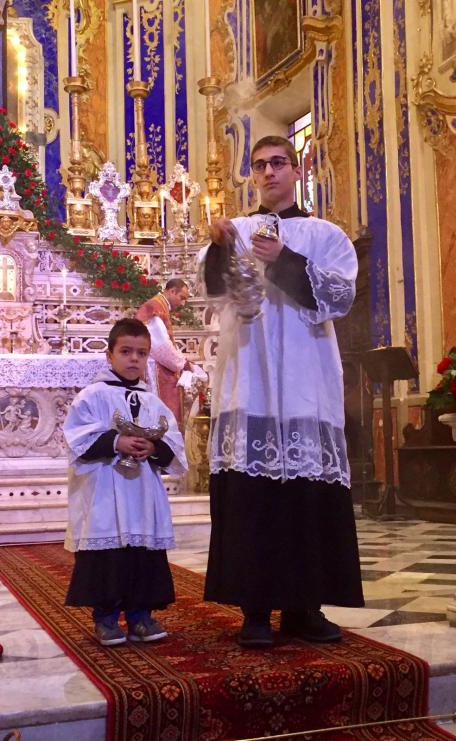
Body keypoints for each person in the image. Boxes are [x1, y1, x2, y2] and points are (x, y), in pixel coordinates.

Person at [202, 135, 364, 647]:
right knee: (255, 498)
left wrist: (284, 257)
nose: (269, 172)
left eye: (278, 163)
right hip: (250, 376)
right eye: (259, 165)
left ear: (296, 172)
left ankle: (304, 609)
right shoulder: (237, 229)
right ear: (252, 175)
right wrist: (220, 250)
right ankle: (254, 613)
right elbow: (214, 293)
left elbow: (339, 297)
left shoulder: (325, 233)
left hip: (305, 381)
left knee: (306, 496)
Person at [63, 318, 187, 646]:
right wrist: (116, 442)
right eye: (126, 351)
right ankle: (105, 618)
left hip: (142, 494)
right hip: (105, 489)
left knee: (142, 554)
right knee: (108, 557)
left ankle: (140, 616)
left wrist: (154, 446)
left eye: (141, 353)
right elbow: (76, 437)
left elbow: (172, 440)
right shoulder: (91, 396)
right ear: (109, 354)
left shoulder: (152, 400)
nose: (134, 359)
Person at [135, 278, 191, 426]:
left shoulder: (160, 306)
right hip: (154, 369)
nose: (183, 303)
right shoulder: (156, 308)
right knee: (159, 418)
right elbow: (160, 346)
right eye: (182, 297)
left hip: (155, 364)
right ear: (172, 291)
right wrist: (183, 363)